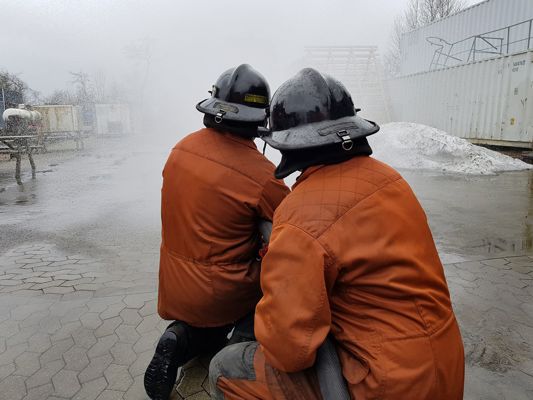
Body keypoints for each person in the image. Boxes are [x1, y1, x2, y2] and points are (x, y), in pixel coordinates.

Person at [209, 68, 465, 400]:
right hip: (445, 371)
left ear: (287, 144)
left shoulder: (301, 214)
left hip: (383, 386)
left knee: (226, 367)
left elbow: (289, 351)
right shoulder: (392, 181)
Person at [144, 64, 289, 400]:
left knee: (207, 321)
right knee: (277, 277)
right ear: (259, 121)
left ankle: (180, 338)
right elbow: (294, 225)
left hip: (174, 288)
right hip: (223, 294)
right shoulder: (262, 175)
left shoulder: (180, 148)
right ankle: (240, 344)